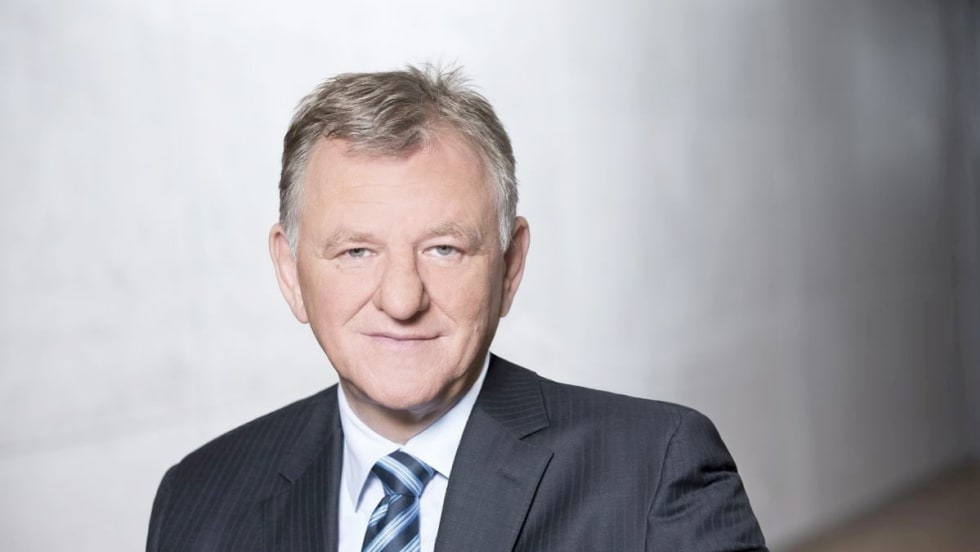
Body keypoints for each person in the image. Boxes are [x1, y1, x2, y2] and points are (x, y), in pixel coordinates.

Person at [146, 65, 767, 552]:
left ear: (510, 266)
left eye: (443, 249)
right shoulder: (199, 498)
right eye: (357, 251)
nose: (401, 299)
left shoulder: (654, 471)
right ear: (289, 272)